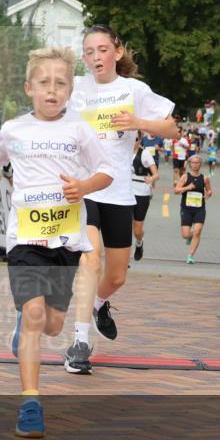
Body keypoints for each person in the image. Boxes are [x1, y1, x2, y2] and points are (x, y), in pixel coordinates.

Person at [0, 46, 113, 437]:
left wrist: (83, 186)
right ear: (29, 87)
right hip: (26, 240)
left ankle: (28, 322)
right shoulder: (15, 130)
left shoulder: (79, 129)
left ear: (70, 90)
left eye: (61, 83)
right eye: (44, 83)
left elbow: (106, 172)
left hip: (66, 244)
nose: (52, 91)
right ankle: (30, 402)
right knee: (36, 318)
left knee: (52, 325)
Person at [62, 25, 177, 374]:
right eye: (88, 51)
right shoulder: (76, 90)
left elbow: (171, 129)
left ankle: (99, 304)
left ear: (118, 51)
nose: (95, 57)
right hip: (84, 188)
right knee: (90, 259)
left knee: (116, 276)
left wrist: (138, 121)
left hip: (119, 191)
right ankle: (80, 341)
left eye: (101, 49)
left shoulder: (134, 90)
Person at [175, 153, 212, 264]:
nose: (195, 164)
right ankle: (189, 237)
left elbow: (209, 190)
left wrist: (209, 193)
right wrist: (187, 187)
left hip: (199, 208)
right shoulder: (185, 177)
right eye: (193, 162)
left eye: (197, 162)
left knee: (197, 231)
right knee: (186, 234)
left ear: (200, 164)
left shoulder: (204, 178)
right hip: (186, 208)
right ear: (190, 164)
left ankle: (190, 255)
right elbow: (176, 190)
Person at [131, 136, 158, 262]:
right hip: (124, 192)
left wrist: (152, 179)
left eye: (136, 138)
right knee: (124, 226)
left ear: (140, 140)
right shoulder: (121, 151)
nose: (133, 141)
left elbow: (156, 174)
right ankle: (124, 259)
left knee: (137, 229)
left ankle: (139, 243)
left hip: (141, 192)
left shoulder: (145, 154)